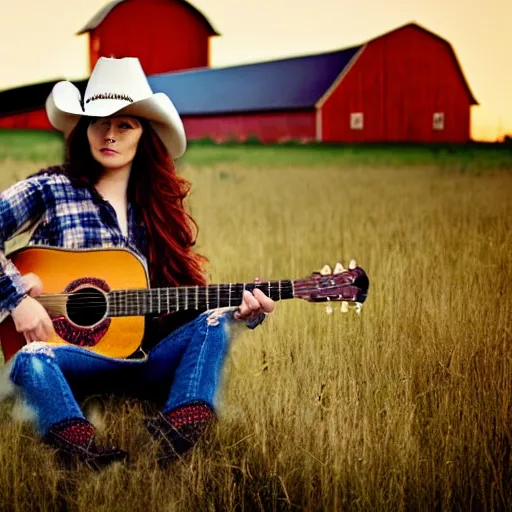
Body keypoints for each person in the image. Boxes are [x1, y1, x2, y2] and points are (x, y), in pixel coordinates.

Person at [0, 57, 274, 470]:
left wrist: (243, 311)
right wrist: (17, 299)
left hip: (141, 360)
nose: (109, 134)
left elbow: (185, 305)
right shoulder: (51, 189)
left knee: (215, 319)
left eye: (124, 124)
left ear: (144, 135)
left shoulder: (157, 211)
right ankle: (82, 449)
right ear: (83, 129)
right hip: (65, 357)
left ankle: (173, 433)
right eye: (99, 122)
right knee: (30, 358)